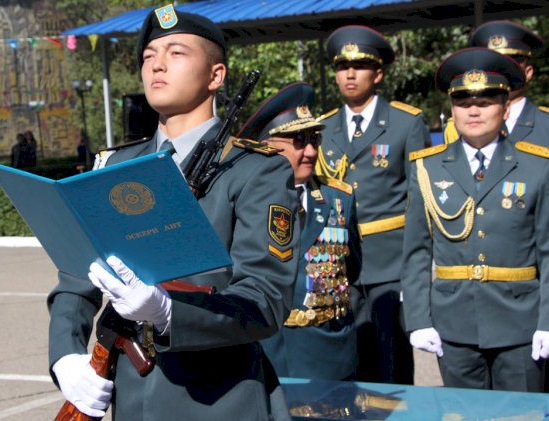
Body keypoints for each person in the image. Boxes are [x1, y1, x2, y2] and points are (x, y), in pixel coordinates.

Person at [47, 4, 299, 420]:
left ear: (216, 76)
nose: (157, 65)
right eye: (149, 56)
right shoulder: (113, 168)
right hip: (131, 397)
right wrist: (65, 356)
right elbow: (77, 277)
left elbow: (265, 299)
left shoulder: (257, 171)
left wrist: (169, 314)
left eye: (176, 53)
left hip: (219, 399)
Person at [403, 47, 549, 392]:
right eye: (463, 100)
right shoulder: (426, 166)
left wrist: (547, 321)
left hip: (520, 324)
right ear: (452, 108)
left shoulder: (538, 166)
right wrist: (418, 320)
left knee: (523, 418)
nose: (473, 110)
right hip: (453, 324)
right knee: (463, 414)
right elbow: (416, 253)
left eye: (485, 101)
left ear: (505, 105)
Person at [314, 24, 429, 385]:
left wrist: (415, 266)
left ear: (377, 73)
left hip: (388, 262)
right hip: (338, 261)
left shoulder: (405, 122)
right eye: (341, 67)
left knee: (391, 357)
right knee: (346, 355)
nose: (349, 74)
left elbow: (419, 198)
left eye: (360, 66)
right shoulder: (323, 127)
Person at [241, 82, 362, 381]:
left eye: (314, 139)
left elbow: (353, 270)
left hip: (327, 356)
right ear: (268, 145)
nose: (309, 151)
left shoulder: (339, 199)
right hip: (263, 355)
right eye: (298, 140)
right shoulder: (242, 202)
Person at [468, 20, 549, 146]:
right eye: (493, 65)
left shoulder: (546, 124)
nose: (501, 71)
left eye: (511, 64)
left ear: (528, 72)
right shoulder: (463, 125)